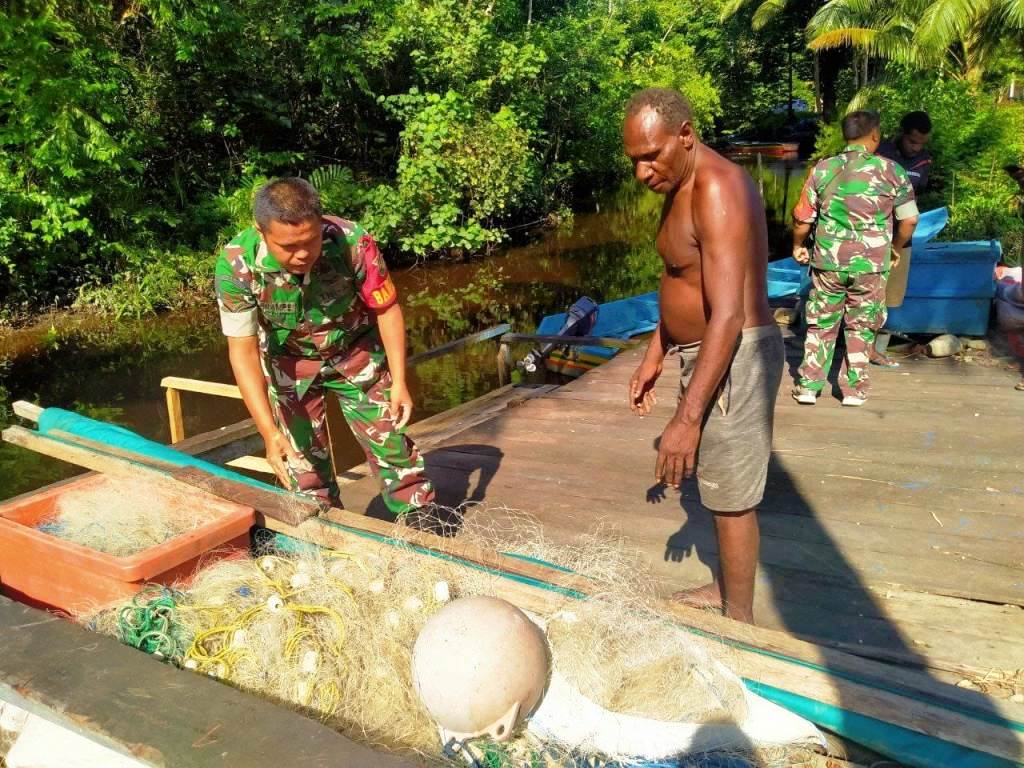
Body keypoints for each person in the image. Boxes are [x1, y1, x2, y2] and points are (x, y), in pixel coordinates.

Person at [623, 88, 783, 624]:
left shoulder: (716, 187)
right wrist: (657, 349)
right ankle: (724, 592)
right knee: (716, 483)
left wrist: (686, 418)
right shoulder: (681, 182)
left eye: (653, 155)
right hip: (702, 348)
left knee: (732, 497)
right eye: (635, 161)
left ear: (686, 135)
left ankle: (740, 623)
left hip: (735, 354)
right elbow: (681, 276)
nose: (644, 172)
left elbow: (729, 315)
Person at [214, 177, 435, 518]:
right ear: (261, 232)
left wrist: (400, 381)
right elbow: (241, 351)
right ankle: (325, 531)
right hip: (290, 364)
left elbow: (387, 309)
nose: (302, 254)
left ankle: (421, 521)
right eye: (288, 246)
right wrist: (268, 432)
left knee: (392, 442)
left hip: (354, 352)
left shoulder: (352, 242)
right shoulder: (237, 266)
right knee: (301, 465)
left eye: (311, 240)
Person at [791, 111, 919, 407]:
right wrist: (893, 249)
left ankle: (809, 387)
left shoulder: (823, 170)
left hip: (828, 264)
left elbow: (802, 219)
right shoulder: (892, 171)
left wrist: (798, 245)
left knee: (821, 324)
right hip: (871, 266)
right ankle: (854, 391)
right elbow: (910, 220)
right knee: (861, 325)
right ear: (875, 136)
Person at [877, 111, 933, 196]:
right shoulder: (880, 154)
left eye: (922, 144)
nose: (917, 148)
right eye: (912, 142)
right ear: (901, 132)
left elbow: (916, 195)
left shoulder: (925, 160)